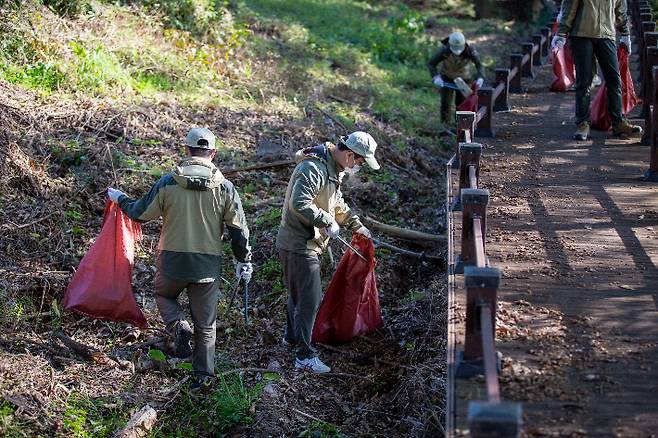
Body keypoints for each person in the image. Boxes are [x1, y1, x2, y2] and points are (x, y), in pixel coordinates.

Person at [107, 127, 253, 389]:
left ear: (186, 150)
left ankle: (178, 325)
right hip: (207, 264)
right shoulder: (226, 188)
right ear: (214, 153)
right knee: (207, 324)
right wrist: (244, 259)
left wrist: (120, 199)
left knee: (164, 296)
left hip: (172, 260)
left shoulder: (168, 182)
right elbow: (238, 230)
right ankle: (203, 378)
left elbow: (141, 213)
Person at [276, 131, 379, 373]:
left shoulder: (333, 170)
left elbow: (337, 204)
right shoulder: (313, 168)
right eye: (361, 162)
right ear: (351, 155)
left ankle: (291, 338)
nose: (360, 167)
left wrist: (356, 225)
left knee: (298, 296)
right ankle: (304, 356)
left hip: (303, 242)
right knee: (309, 301)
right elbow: (299, 202)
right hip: (299, 244)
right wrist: (325, 220)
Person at [552, 0, 642, 140]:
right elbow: (570, 8)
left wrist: (625, 34)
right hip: (581, 35)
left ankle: (618, 122)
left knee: (614, 80)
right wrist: (562, 33)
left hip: (607, 35)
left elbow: (620, 9)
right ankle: (583, 123)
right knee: (584, 81)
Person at [428, 31, 485, 126]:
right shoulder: (444, 50)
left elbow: (479, 65)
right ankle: (445, 125)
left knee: (462, 104)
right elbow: (431, 64)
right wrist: (436, 77)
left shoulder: (470, 50)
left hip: (464, 80)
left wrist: (480, 77)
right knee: (445, 103)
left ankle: (460, 125)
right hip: (447, 78)